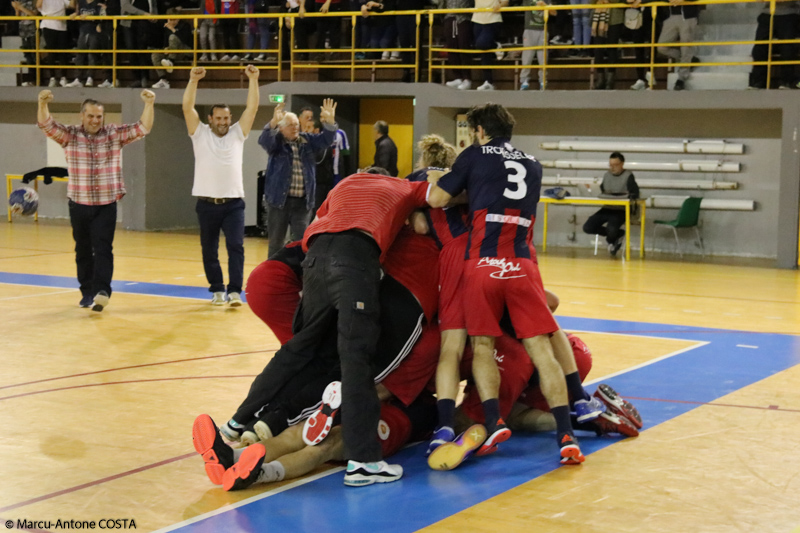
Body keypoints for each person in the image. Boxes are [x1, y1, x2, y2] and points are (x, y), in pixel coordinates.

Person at [427, 103, 588, 465]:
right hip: (521, 263)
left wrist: (440, 181)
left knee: (482, 345)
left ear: (480, 131)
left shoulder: (474, 154)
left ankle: (494, 418)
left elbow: (437, 198)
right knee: (541, 350)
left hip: (482, 263)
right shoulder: (533, 163)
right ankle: (566, 434)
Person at [37, 89, 155, 311]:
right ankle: (86, 292)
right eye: (90, 116)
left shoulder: (113, 134)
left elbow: (142, 128)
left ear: (104, 117)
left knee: (103, 248)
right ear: (82, 116)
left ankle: (102, 291)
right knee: (82, 250)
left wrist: (149, 104)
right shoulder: (70, 135)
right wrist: (42, 103)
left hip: (105, 205)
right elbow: (47, 125)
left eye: (99, 116)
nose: (95, 120)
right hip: (78, 204)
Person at [182, 65, 260, 306]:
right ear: (210, 119)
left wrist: (253, 79)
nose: (224, 122)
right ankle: (217, 289)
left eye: (226, 118)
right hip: (206, 204)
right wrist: (193, 81)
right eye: (219, 118)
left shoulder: (238, 133)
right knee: (209, 250)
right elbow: (187, 107)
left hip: (233, 204)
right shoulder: (199, 133)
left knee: (236, 246)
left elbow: (252, 107)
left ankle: (235, 291)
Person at [259, 100, 338, 258]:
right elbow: (264, 140)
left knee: (303, 242)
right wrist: (273, 122)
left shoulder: (307, 141)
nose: (295, 127)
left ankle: (299, 276)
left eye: (296, 124)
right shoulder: (276, 143)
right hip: (278, 203)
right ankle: (273, 276)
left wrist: (329, 122)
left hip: (302, 203)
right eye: (290, 124)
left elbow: (326, 140)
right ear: (281, 128)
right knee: (276, 243)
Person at [582, 151, 639, 257]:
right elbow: (602, 191)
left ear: (622, 164)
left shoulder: (628, 176)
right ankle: (618, 234)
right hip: (607, 207)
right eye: (610, 165)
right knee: (588, 227)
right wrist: (591, 189)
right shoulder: (607, 175)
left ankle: (613, 238)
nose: (612, 168)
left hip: (621, 209)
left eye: (615, 165)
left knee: (611, 228)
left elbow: (635, 193)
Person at [747, 0, 799, 89]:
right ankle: (758, 82)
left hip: (789, 13)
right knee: (760, 47)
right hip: (768, 13)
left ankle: (787, 81)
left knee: (787, 47)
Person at [656, 0, 699, 90]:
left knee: (686, 47)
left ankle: (681, 78)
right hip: (671, 15)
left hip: (687, 16)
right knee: (661, 46)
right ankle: (688, 59)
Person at [471, 0, 508, 91]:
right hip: (477, 19)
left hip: (493, 19)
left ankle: (496, 46)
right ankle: (488, 81)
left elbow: (506, 2)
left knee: (482, 43)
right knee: (484, 51)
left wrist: (500, 5)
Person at [151, 18, 193, 89]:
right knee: (155, 55)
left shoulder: (185, 26)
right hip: (173, 51)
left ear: (177, 20)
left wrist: (173, 30)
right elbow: (165, 41)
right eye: (169, 20)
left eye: (173, 20)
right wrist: (166, 48)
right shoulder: (166, 27)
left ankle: (171, 61)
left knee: (173, 37)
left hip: (186, 51)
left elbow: (185, 40)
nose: (170, 22)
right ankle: (163, 80)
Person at [37, 0, 71, 87]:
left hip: (62, 26)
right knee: (51, 52)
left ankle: (63, 77)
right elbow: (38, 5)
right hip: (48, 25)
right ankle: (52, 77)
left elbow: (71, 5)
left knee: (63, 53)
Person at [441, 0, 473, 90]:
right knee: (452, 47)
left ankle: (467, 78)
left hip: (464, 16)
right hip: (449, 16)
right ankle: (457, 77)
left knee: (464, 46)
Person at [519, 0, 549, 91]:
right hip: (529, 29)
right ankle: (524, 81)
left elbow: (554, 12)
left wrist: (545, 6)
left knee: (543, 58)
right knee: (527, 57)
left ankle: (543, 81)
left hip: (543, 30)